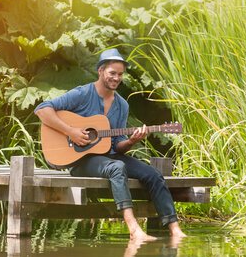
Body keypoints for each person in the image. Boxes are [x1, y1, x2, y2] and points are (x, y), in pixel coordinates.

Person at [34, 48, 186, 240]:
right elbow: (42, 110)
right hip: (81, 161)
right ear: (100, 71)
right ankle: (134, 230)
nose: (116, 78)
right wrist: (70, 131)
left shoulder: (122, 105)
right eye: (112, 73)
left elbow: (117, 146)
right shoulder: (82, 94)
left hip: (110, 157)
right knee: (117, 167)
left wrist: (131, 141)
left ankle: (175, 230)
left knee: (154, 175)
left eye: (120, 74)